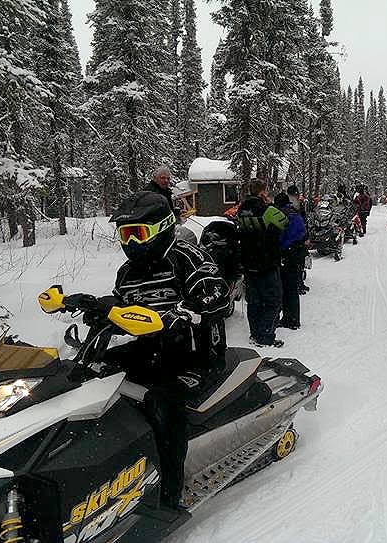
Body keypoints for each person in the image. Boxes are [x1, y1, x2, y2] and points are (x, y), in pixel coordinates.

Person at [110, 191, 230, 509]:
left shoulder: (186, 257)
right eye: (126, 234)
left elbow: (218, 292)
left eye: (138, 233)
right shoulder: (127, 274)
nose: (132, 242)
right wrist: (99, 311)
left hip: (196, 354)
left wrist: (190, 309)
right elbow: (122, 310)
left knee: (164, 402)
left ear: (161, 227)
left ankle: (170, 492)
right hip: (150, 352)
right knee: (93, 379)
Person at [236, 179, 289, 348]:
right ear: (263, 192)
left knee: (255, 301)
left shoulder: (242, 209)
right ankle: (266, 335)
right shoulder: (267, 210)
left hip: (248, 262)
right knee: (274, 300)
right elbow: (284, 222)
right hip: (266, 262)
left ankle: (255, 333)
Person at [274, 193, 307, 329]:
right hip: (297, 252)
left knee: (287, 287)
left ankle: (291, 319)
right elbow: (302, 231)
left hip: (288, 253)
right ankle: (291, 317)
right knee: (290, 287)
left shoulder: (283, 215)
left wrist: (280, 247)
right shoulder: (295, 212)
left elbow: (283, 236)